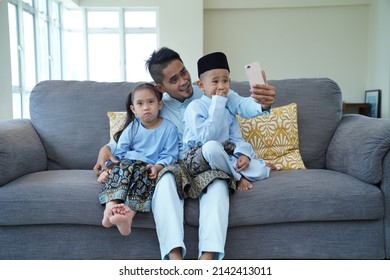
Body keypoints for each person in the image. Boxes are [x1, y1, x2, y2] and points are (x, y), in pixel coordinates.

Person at [93, 47, 276, 260]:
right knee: (166, 181)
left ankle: (207, 259)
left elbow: (244, 105)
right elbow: (134, 134)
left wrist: (263, 102)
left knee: (218, 185)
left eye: (183, 72)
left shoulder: (209, 89)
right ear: (160, 87)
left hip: (208, 163)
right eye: (173, 79)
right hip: (176, 164)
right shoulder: (157, 105)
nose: (183, 81)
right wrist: (106, 149)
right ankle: (175, 261)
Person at [97, 82, 179, 236]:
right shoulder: (132, 128)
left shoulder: (169, 128)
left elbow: (170, 155)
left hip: (147, 167)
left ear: (160, 104)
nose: (146, 107)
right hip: (127, 164)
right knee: (119, 172)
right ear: (133, 109)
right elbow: (119, 152)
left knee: (144, 180)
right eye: (140, 104)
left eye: (151, 102)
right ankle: (110, 208)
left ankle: (128, 215)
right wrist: (106, 170)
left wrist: (158, 167)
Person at [183, 52, 272, 191]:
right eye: (215, 81)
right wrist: (218, 103)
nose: (221, 86)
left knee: (260, 170)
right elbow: (207, 137)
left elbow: (236, 137)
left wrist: (244, 154)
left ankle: (234, 170)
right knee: (211, 147)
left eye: (225, 81)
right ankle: (238, 178)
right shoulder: (195, 107)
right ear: (201, 85)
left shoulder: (227, 107)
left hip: (223, 155)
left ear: (229, 82)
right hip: (199, 157)